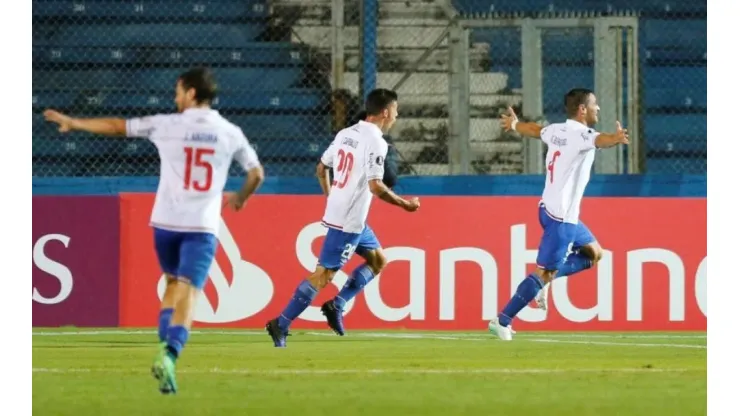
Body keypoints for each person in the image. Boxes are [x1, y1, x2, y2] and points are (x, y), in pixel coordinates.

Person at [43, 67, 265, 392]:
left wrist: (74, 123)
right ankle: (171, 353)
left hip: (164, 224)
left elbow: (119, 127)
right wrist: (241, 198)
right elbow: (256, 173)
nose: (175, 97)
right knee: (191, 289)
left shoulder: (167, 124)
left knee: (173, 283)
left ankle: (164, 340)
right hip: (201, 225)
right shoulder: (230, 132)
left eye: (178, 91)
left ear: (190, 93)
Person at [265, 88, 420, 347]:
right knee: (323, 275)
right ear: (385, 112)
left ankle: (337, 304)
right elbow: (376, 186)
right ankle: (280, 323)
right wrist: (405, 205)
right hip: (348, 220)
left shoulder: (345, 133)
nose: (397, 114)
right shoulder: (376, 142)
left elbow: (320, 168)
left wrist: (332, 195)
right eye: (395, 109)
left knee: (378, 260)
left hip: (350, 216)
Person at [489, 88, 629, 341]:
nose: (598, 109)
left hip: (548, 209)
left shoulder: (556, 130)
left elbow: (534, 130)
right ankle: (503, 320)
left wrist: (515, 124)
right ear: (582, 109)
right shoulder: (582, 135)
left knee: (594, 253)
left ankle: (545, 281)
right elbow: (601, 140)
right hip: (562, 217)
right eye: (594, 104)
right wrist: (616, 138)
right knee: (543, 273)